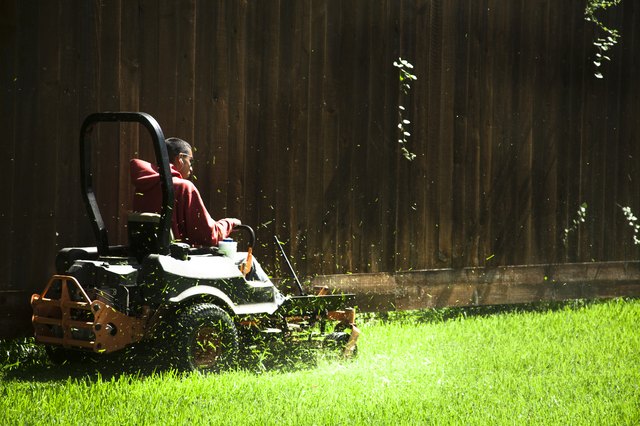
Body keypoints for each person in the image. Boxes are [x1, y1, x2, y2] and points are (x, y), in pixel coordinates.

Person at [130, 137, 241, 247]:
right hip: (173, 259)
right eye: (190, 161)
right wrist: (229, 223)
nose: (191, 169)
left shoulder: (142, 187)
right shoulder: (183, 187)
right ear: (180, 159)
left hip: (142, 257)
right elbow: (208, 235)